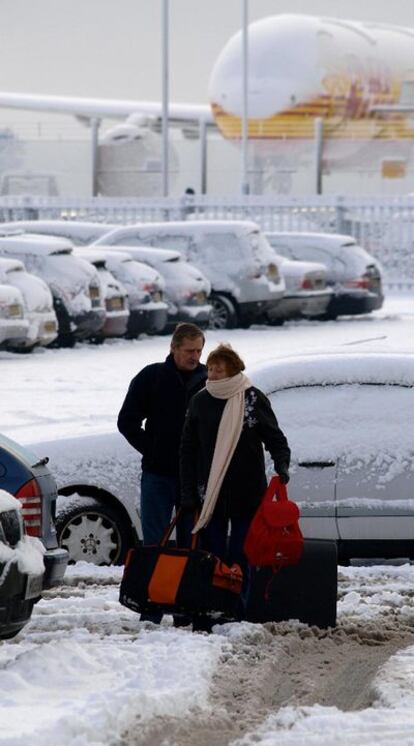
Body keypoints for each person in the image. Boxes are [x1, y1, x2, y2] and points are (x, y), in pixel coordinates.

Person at [179, 343, 290, 628]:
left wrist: (282, 465)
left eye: (219, 369)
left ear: (233, 370)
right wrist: (188, 492)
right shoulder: (200, 401)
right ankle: (212, 608)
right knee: (212, 554)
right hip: (211, 493)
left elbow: (275, 438)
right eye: (211, 368)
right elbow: (188, 450)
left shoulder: (252, 399)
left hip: (247, 492)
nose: (212, 373)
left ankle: (239, 611)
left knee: (242, 552)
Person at [117, 322, 207, 623]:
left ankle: (185, 608)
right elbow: (127, 421)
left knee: (190, 544)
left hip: (193, 478)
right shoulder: (152, 377)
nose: (194, 357)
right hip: (158, 473)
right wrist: (151, 449)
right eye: (189, 351)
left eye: (199, 351)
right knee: (155, 542)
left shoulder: (208, 379)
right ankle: (151, 607)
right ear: (174, 348)